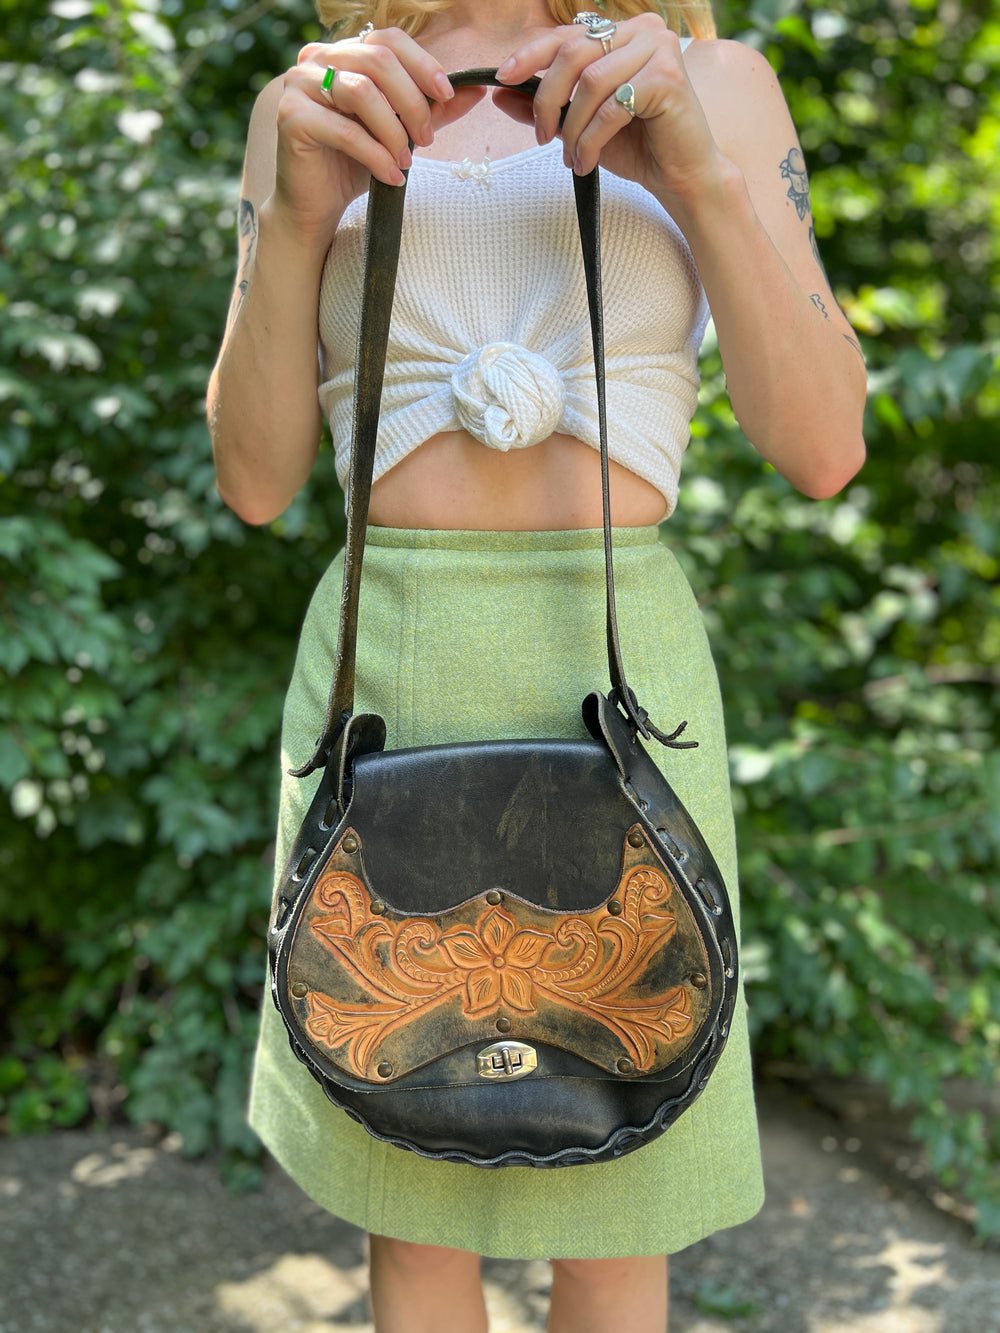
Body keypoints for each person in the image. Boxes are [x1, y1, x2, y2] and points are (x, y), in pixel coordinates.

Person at [207, 1, 866, 1328]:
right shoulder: (320, 94)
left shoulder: (713, 82)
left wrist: (699, 175)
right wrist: (289, 219)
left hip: (615, 680)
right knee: (411, 1205)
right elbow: (257, 479)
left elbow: (824, 445)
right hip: (384, 682)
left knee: (626, 1194)